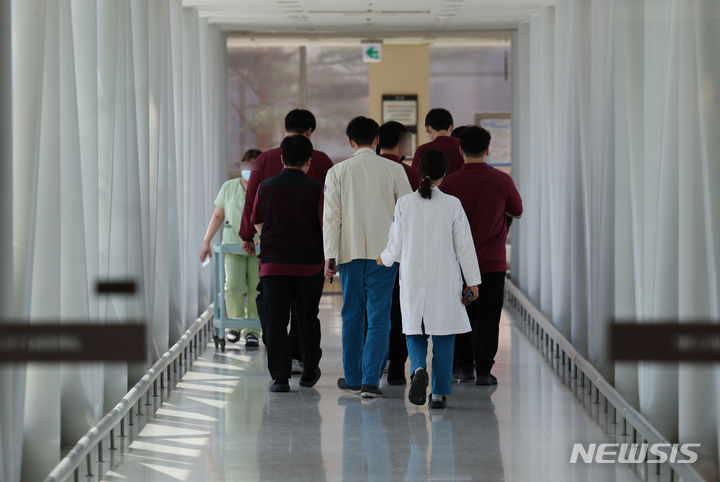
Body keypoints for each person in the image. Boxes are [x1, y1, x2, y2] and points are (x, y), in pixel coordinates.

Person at [378, 150, 481, 409]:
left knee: (414, 330)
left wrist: (385, 258)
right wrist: (473, 281)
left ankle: (419, 368)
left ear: (419, 172)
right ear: (444, 175)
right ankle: (438, 394)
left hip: (413, 277)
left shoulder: (404, 203)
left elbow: (396, 244)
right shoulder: (452, 204)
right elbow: (464, 247)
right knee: (444, 335)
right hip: (444, 279)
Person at [323, 116, 412, 398]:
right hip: (384, 255)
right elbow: (407, 212)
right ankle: (371, 381)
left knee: (351, 314)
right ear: (376, 140)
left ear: (350, 142)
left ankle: (353, 377)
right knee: (379, 317)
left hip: (348, 254)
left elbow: (331, 218)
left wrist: (329, 255)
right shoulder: (394, 170)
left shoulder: (337, 172)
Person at [240, 109, 333, 371]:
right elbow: (331, 209)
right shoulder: (322, 161)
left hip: (274, 254)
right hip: (310, 255)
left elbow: (252, 205)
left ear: (284, 128)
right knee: (305, 312)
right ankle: (303, 358)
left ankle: (279, 366)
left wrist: (250, 236)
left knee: (273, 309)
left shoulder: (265, 161)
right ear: (310, 132)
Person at [441, 126, 523, 385]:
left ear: (460, 150)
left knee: (461, 314)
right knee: (489, 317)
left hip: (458, 265)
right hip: (491, 264)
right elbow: (517, 211)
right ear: (488, 149)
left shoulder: (450, 182)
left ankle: (464, 368)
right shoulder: (502, 180)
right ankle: (485, 371)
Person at [251, 135, 325, 392]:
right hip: (309, 265)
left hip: (274, 265)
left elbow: (257, 222)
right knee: (307, 318)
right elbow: (323, 224)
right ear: (309, 161)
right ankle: (308, 370)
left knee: (275, 320)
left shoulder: (266, 186)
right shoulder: (317, 189)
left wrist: (271, 238)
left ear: (281, 159)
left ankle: (280, 378)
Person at [200, 149, 262, 348]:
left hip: (259, 246)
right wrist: (206, 241)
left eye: (255, 165)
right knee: (232, 286)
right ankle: (234, 326)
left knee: (257, 289)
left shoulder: (265, 188)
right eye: (248, 165)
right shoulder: (229, 187)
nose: (251, 169)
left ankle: (253, 331)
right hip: (232, 245)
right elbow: (218, 215)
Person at [376, 121, 420, 385]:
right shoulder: (411, 175)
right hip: (405, 254)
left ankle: (376, 364)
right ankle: (396, 370)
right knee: (401, 310)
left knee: (376, 311)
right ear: (403, 145)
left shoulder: (361, 171)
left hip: (372, 254)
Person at [411, 108, 464, 175]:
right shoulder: (464, 147)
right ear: (452, 126)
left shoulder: (422, 150)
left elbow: (414, 178)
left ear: (427, 128)